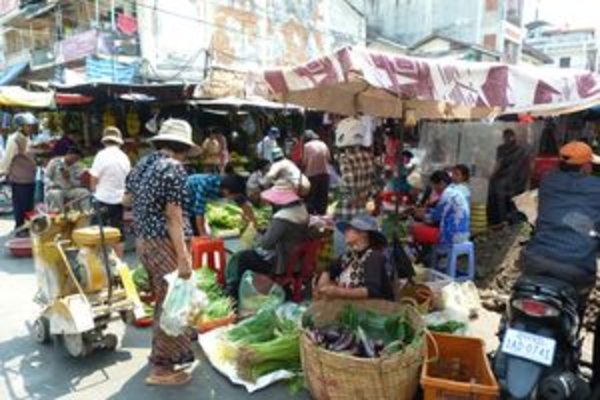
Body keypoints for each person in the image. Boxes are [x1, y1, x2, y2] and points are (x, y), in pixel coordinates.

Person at [518, 141, 600, 386]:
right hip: (575, 270)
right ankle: (568, 345)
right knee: (576, 309)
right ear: (586, 167)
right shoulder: (597, 189)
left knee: (521, 296)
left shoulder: (548, 183)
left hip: (535, 262)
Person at [125, 119, 197, 386]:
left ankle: (161, 353)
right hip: (164, 243)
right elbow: (174, 216)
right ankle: (161, 369)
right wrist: (183, 256)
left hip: (145, 241)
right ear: (184, 148)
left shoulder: (144, 164)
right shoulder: (174, 168)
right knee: (170, 306)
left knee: (163, 301)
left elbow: (127, 199)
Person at [229, 184, 309, 297]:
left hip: (280, 260)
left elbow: (266, 244)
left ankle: (237, 293)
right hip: (295, 258)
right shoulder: (302, 210)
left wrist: (260, 235)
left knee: (243, 257)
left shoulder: (282, 217)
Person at [314, 215, 393, 301]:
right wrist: (323, 286)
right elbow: (329, 269)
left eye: (349, 229)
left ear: (363, 233)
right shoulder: (349, 256)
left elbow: (371, 291)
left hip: (376, 311)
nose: (345, 233)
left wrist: (338, 292)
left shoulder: (374, 256)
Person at [89, 127, 131, 257]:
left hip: (102, 198)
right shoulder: (124, 157)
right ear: (119, 142)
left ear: (105, 141)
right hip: (119, 200)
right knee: (117, 232)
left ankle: (98, 260)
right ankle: (118, 263)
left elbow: (93, 179)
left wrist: (93, 192)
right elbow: (128, 179)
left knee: (97, 231)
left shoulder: (101, 155)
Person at [0, 113, 38, 235]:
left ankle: (27, 227)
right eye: (28, 126)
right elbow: (8, 158)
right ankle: (20, 229)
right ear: (21, 126)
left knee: (28, 206)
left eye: (32, 126)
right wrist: (2, 172)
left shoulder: (28, 138)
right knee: (20, 206)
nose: (31, 128)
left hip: (29, 178)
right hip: (19, 178)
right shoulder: (14, 139)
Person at [412, 170, 470, 247]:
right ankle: (430, 255)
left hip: (451, 236)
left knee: (414, 229)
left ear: (442, 183)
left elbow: (435, 218)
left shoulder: (447, 194)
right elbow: (442, 212)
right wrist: (427, 210)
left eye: (434, 185)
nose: (434, 189)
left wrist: (422, 215)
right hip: (463, 234)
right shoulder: (454, 191)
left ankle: (427, 256)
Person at [186, 173, 256, 236]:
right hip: (187, 192)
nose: (235, 199)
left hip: (198, 191)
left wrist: (253, 225)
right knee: (193, 226)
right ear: (226, 191)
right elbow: (199, 213)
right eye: (234, 196)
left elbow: (246, 205)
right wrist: (204, 236)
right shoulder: (205, 185)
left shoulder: (232, 186)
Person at [487, 129, 530, 229]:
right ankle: (512, 223)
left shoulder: (514, 150)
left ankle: (504, 222)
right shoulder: (520, 150)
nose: (507, 139)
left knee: (503, 202)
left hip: (508, 181)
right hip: (517, 181)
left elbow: (499, 164)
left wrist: (491, 175)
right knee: (512, 203)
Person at [302, 129, 330, 215]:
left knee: (310, 198)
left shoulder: (306, 146)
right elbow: (329, 158)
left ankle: (311, 219)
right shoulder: (323, 144)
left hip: (311, 175)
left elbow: (304, 162)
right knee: (322, 198)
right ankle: (322, 217)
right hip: (324, 174)